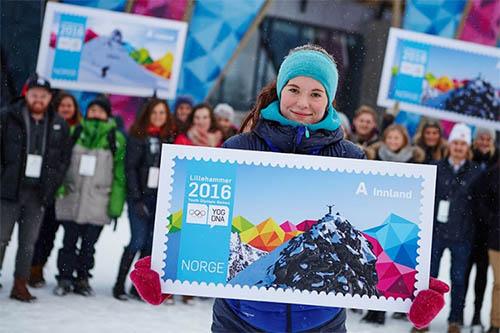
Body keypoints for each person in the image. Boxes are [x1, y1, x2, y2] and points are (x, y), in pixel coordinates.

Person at [129, 44, 449, 333]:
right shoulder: (240, 149)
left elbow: (376, 242)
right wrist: (165, 267)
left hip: (322, 324)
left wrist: (414, 284)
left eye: (315, 93)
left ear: (329, 100)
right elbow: (208, 224)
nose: (302, 103)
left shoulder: (352, 158)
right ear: (280, 89)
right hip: (239, 322)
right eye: (294, 89)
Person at [0, 74, 71, 301]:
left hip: (38, 194)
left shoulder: (59, 123)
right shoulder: (8, 117)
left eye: (43, 95)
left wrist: (52, 185)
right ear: (26, 94)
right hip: (9, 190)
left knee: (28, 243)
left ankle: (20, 284)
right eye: (34, 95)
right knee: (1, 238)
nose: (38, 99)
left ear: (50, 98)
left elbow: (63, 160)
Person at [53, 95, 126, 297]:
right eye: (92, 109)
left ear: (107, 114)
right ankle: (64, 277)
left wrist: (116, 204)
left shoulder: (116, 139)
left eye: (100, 110)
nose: (95, 113)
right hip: (72, 197)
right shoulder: (76, 131)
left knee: (88, 245)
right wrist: (58, 186)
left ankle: (82, 279)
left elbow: (120, 174)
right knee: (68, 242)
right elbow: (62, 161)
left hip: (98, 201)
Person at [112, 98, 176, 301]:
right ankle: (119, 284)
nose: (158, 117)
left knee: (150, 245)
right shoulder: (137, 136)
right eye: (155, 112)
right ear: (147, 114)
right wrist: (136, 198)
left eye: (162, 113)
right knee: (137, 241)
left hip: (160, 199)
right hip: (140, 198)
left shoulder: (169, 137)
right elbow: (130, 168)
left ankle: (137, 287)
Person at [362, 124, 425, 324]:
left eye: (397, 138)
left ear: (404, 140)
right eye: (390, 138)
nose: (392, 141)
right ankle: (374, 309)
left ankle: (389, 308)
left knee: (393, 268)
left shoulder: (414, 161)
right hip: (377, 218)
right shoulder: (375, 156)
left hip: (401, 224)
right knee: (375, 264)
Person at [430, 123, 481, 333]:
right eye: (456, 143)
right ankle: (424, 318)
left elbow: (479, 203)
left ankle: (455, 320)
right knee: (430, 278)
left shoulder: (477, 171)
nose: (459, 147)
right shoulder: (436, 167)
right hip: (437, 232)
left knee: (458, 279)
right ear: (449, 144)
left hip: (462, 234)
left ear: (468, 147)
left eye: (463, 144)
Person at [29, 91, 83, 288]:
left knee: (68, 238)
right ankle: (35, 268)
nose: (67, 109)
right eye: (63, 106)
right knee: (45, 234)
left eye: (70, 105)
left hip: (71, 192)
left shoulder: (82, 131)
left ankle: (65, 274)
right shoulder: (49, 126)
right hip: (50, 190)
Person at [465, 128, 499, 332]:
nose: (485, 142)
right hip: (467, 228)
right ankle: (459, 313)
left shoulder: (496, 162)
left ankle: (477, 314)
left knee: (482, 276)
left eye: (488, 139)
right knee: (461, 275)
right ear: (475, 141)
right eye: (481, 138)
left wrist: (491, 219)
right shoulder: (469, 159)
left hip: (489, 233)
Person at [471, 159, 500, 333]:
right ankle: (496, 323)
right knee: (499, 284)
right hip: (497, 239)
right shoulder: (493, 173)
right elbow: (479, 200)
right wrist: (494, 220)